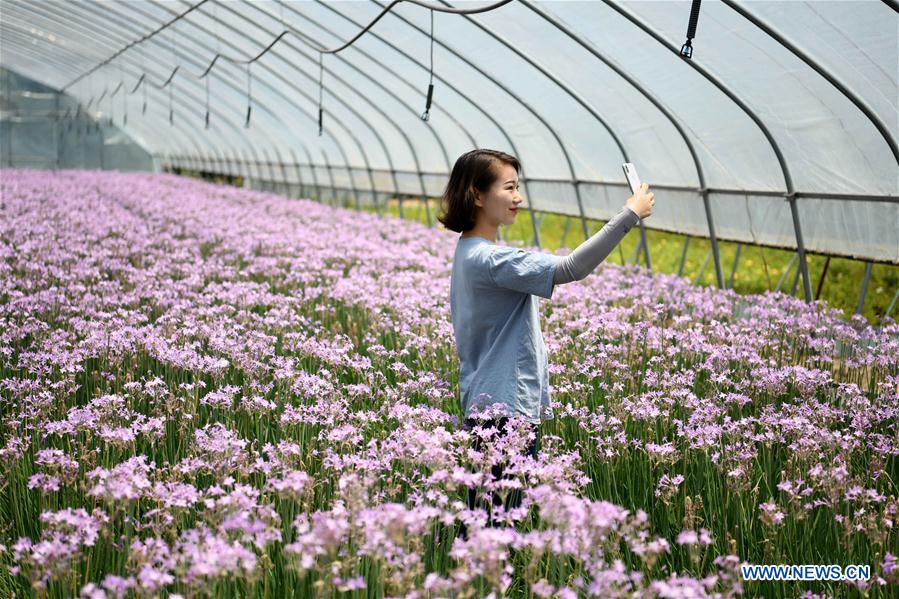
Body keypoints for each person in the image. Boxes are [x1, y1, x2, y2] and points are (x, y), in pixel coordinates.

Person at [438, 149, 654, 536]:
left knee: (485, 523)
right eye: (509, 188)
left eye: (518, 187)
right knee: (498, 530)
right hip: (505, 414)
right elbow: (571, 267)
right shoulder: (490, 259)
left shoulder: (467, 252)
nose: (518, 197)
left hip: (487, 404)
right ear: (477, 195)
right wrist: (630, 215)